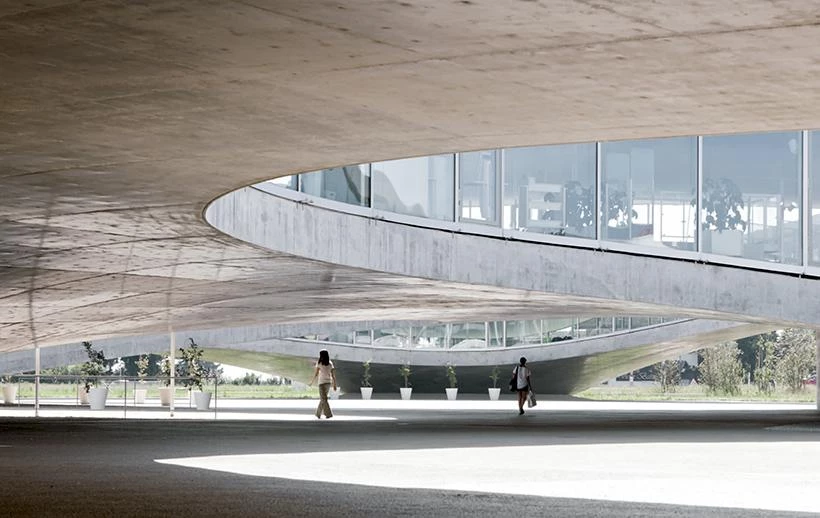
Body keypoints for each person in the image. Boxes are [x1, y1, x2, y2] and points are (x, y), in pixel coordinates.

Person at [308, 349, 337, 419]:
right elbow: (317, 373)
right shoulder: (322, 363)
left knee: (323, 399)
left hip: (325, 382)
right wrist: (311, 382)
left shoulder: (328, 363)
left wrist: (334, 384)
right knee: (323, 399)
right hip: (323, 382)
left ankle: (328, 414)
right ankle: (318, 414)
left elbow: (333, 375)